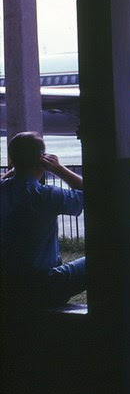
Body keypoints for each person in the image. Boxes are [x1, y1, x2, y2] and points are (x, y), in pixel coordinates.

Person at [0, 132, 85, 308]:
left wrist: (17, 168)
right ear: (41, 159)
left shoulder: (4, 190)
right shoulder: (46, 195)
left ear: (11, 159)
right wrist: (59, 169)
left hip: (7, 288)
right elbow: (90, 192)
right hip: (43, 288)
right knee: (100, 260)